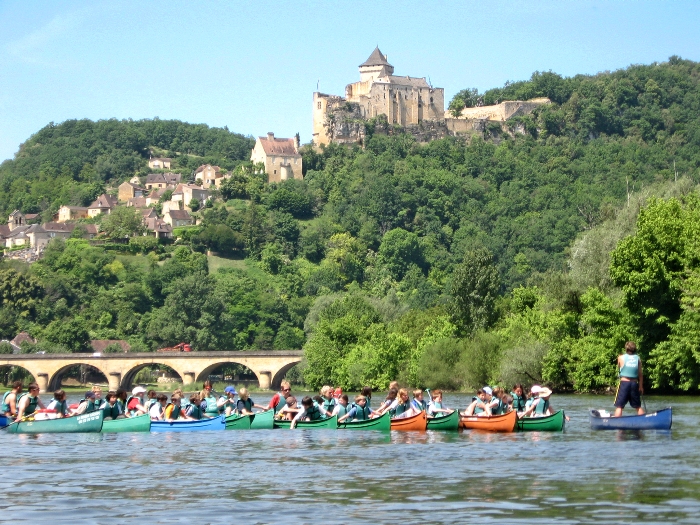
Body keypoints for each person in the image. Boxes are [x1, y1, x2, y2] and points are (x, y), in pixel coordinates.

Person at [615, 341, 644, 417]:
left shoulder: (620, 357)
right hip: (634, 384)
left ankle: (617, 422)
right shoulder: (638, 359)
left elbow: (619, 367)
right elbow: (640, 374)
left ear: (626, 348)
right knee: (638, 406)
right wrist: (641, 386)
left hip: (624, 383)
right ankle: (643, 421)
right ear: (634, 349)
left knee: (619, 406)